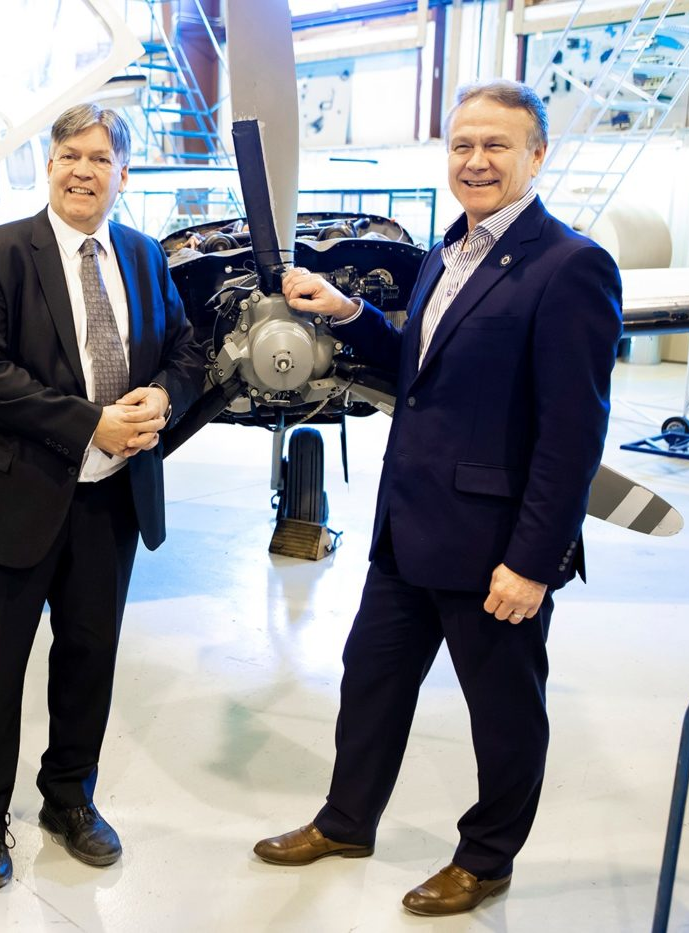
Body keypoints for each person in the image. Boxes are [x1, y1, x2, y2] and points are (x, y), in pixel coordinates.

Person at [253, 80, 623, 916]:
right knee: (370, 681)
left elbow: (572, 437)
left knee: (503, 712)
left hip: (493, 543)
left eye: (497, 145)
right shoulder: (444, 255)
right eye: (462, 145)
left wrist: (531, 562)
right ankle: (348, 820)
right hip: (408, 527)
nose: (477, 161)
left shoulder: (572, 267)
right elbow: (416, 374)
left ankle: (487, 857)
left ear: (537, 156)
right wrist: (347, 311)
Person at [0, 103, 206, 890]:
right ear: (47, 164)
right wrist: (92, 421)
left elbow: (188, 350)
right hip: (12, 497)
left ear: (123, 173)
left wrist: (163, 397)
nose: (82, 170)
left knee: (89, 658)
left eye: (99, 158)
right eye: (68, 155)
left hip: (109, 504)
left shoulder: (141, 254)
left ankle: (69, 796)